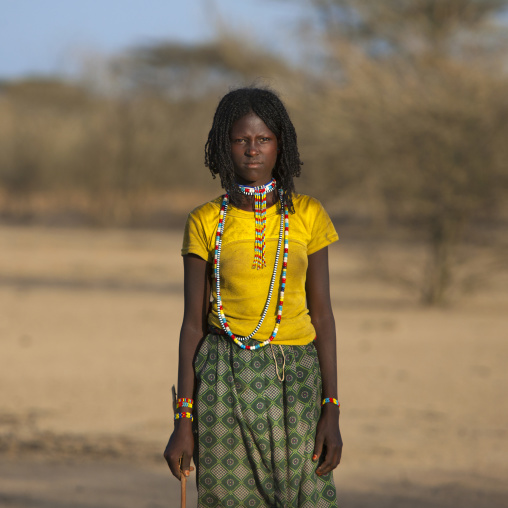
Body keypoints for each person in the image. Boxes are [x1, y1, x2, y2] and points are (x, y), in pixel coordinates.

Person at [164, 87, 342, 508]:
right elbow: (193, 324)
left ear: (281, 144)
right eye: (241, 140)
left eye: (263, 139)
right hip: (223, 378)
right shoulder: (205, 221)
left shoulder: (308, 215)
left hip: (296, 377)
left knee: (310, 497)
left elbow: (324, 316)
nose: (252, 150)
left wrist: (331, 408)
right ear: (224, 146)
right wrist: (182, 421)